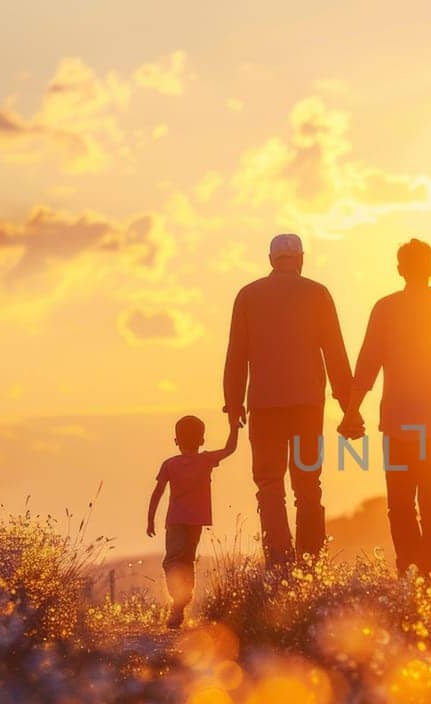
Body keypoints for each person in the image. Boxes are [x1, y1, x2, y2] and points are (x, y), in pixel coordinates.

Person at [340, 238, 431, 579]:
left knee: (401, 506)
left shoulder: (386, 308)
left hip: (398, 426)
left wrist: (351, 412)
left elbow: (366, 366)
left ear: (400, 269)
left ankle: (409, 573)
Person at [223, 234, 353, 569]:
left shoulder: (248, 296)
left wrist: (234, 403)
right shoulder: (317, 293)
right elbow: (335, 352)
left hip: (264, 406)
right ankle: (310, 565)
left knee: (269, 485)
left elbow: (236, 355)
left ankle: (278, 564)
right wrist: (348, 404)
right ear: (300, 258)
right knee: (308, 486)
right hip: (307, 405)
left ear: (271, 260)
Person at [147, 415, 237, 628]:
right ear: (202, 440)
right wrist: (234, 426)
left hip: (176, 520)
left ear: (176, 440)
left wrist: (150, 519)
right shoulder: (206, 460)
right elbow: (230, 449)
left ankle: (179, 602)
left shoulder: (169, 464)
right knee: (187, 561)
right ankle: (181, 603)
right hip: (196, 521)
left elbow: (157, 492)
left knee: (171, 561)